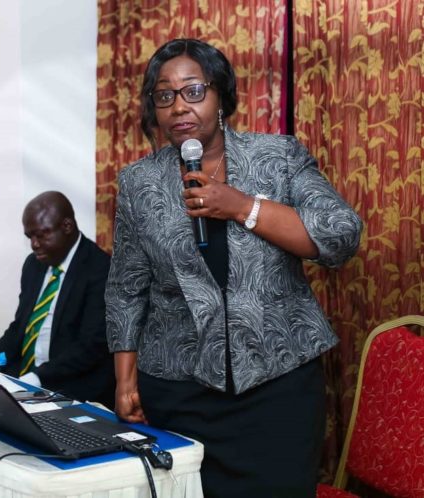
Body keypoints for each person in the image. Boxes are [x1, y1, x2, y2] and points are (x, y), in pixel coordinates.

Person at [105, 38, 362, 497]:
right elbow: (126, 289)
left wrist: (242, 206)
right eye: (164, 96)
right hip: (179, 391)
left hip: (277, 386)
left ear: (221, 95)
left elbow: (341, 236)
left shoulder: (278, 157)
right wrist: (125, 381)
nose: (179, 107)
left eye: (193, 91)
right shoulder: (138, 183)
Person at [0, 191, 115, 408]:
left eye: (41, 235)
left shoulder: (101, 269)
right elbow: (20, 329)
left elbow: (91, 346)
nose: (34, 244)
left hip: (71, 386)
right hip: (26, 378)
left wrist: (35, 378)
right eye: (29, 237)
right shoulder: (34, 264)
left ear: (67, 226)